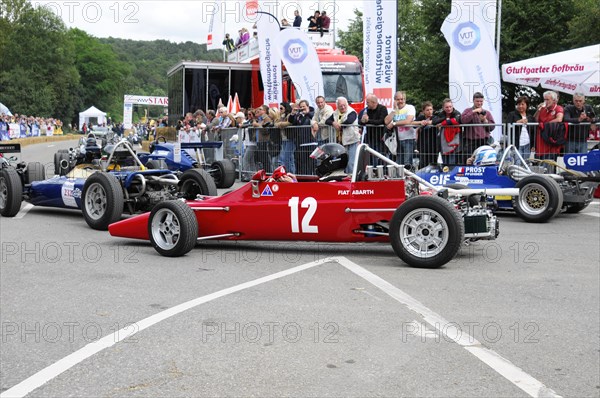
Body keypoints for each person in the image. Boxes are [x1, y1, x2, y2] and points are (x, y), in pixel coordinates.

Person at [325, 97, 360, 174]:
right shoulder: (336, 112)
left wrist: (339, 125)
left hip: (352, 140)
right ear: (337, 106)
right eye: (341, 106)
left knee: (351, 162)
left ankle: (351, 178)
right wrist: (333, 123)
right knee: (343, 162)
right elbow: (327, 121)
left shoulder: (352, 112)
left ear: (347, 104)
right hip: (341, 141)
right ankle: (345, 177)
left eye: (344, 105)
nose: (343, 107)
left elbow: (349, 121)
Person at [461, 92, 496, 164]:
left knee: (484, 162)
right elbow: (463, 120)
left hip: (484, 141)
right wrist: (473, 111)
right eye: (477, 101)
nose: (479, 103)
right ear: (473, 101)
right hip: (470, 142)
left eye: (481, 101)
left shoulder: (487, 113)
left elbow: (492, 127)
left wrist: (485, 121)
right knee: (469, 161)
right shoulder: (467, 111)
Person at [384, 91, 416, 166]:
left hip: (408, 138)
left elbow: (408, 120)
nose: (400, 101)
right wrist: (394, 110)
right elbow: (386, 121)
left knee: (407, 163)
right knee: (399, 163)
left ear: (405, 99)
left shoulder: (410, 107)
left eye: (402, 99)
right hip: (397, 140)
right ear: (394, 100)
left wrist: (394, 123)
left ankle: (408, 177)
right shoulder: (394, 110)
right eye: (398, 99)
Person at [533, 90, 564, 161]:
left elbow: (559, 119)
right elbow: (536, 120)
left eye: (547, 99)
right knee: (540, 161)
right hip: (541, 139)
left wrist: (545, 125)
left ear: (553, 100)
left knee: (550, 162)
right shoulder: (543, 109)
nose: (545, 101)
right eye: (544, 99)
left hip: (551, 140)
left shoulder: (558, 108)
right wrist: (538, 110)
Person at [358, 93, 388, 164]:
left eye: (368, 102)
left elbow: (381, 121)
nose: (367, 104)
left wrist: (368, 121)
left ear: (373, 102)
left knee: (380, 154)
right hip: (370, 136)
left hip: (379, 136)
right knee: (369, 154)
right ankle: (371, 169)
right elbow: (361, 122)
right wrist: (363, 120)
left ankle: (381, 169)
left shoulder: (382, 109)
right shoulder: (367, 110)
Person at [432, 98, 461, 166]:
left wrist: (444, 123)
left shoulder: (457, 113)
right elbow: (434, 121)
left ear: (452, 106)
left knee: (452, 161)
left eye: (450, 106)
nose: (449, 109)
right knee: (445, 161)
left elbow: (457, 120)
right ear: (443, 107)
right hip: (443, 141)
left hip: (454, 141)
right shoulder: (441, 114)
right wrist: (446, 119)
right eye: (447, 107)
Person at [288, 100, 314, 175]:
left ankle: (308, 179)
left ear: (308, 106)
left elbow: (314, 117)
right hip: (300, 142)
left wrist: (307, 113)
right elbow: (291, 121)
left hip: (310, 142)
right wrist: (293, 113)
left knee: (309, 164)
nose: (302, 108)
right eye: (301, 107)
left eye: (304, 107)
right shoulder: (299, 115)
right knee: (299, 162)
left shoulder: (312, 113)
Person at [506, 96, 535, 160]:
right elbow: (506, 128)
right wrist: (517, 123)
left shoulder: (530, 116)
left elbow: (533, 131)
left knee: (525, 162)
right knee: (517, 162)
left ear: (527, 105)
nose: (520, 106)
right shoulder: (512, 114)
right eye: (519, 104)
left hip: (528, 144)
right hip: (516, 143)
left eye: (522, 104)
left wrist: (533, 145)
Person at [414, 101, 437, 167]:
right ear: (423, 111)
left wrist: (428, 122)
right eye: (427, 110)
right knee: (423, 163)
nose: (429, 111)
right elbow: (413, 124)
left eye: (431, 109)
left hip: (433, 144)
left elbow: (437, 121)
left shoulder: (435, 117)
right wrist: (420, 122)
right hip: (422, 144)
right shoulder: (421, 117)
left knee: (433, 163)